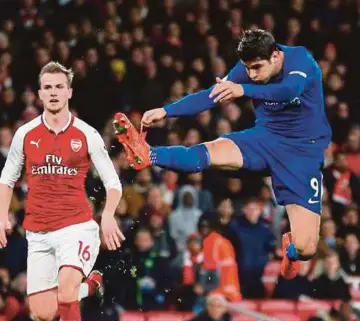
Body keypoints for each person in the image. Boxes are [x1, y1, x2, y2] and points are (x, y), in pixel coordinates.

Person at [114, 29, 332, 281]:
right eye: (248, 69)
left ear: (275, 56)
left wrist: (244, 90)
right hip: (265, 138)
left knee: (307, 249)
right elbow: (211, 95)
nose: (252, 75)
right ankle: (149, 155)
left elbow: (289, 90)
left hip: (301, 153)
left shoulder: (300, 60)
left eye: (257, 68)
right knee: (211, 152)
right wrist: (167, 111)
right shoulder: (248, 69)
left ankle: (292, 252)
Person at [0, 62, 124, 321]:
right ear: (40, 94)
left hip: (76, 226)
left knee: (66, 294)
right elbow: (6, 180)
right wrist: (1, 218)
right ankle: (90, 285)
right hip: (37, 232)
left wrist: (107, 215)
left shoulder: (87, 134)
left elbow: (113, 182)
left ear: (69, 92)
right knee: (40, 312)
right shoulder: (25, 134)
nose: (53, 93)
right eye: (47, 88)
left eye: (58, 87)